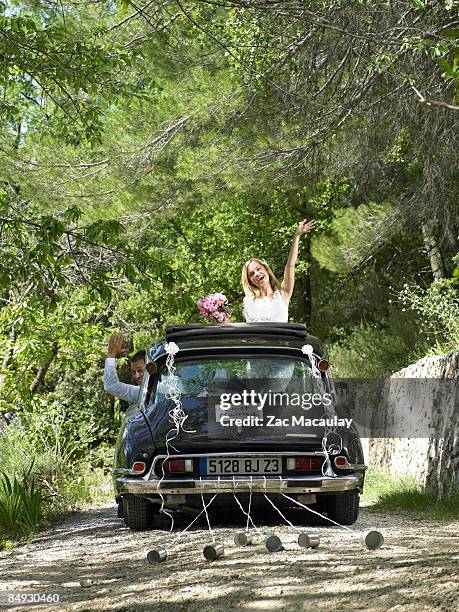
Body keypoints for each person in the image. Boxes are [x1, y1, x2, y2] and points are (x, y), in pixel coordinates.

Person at [242, 219, 316, 322]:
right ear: (250, 281)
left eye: (258, 269)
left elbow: (290, 266)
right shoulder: (249, 302)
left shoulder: (282, 294)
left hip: (281, 338)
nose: (257, 274)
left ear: (266, 270)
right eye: (252, 274)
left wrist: (296, 236)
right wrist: (219, 314)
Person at [103, 331, 145, 404]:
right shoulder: (141, 393)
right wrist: (111, 356)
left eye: (140, 370)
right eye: (134, 372)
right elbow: (111, 386)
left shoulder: (167, 386)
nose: (136, 376)